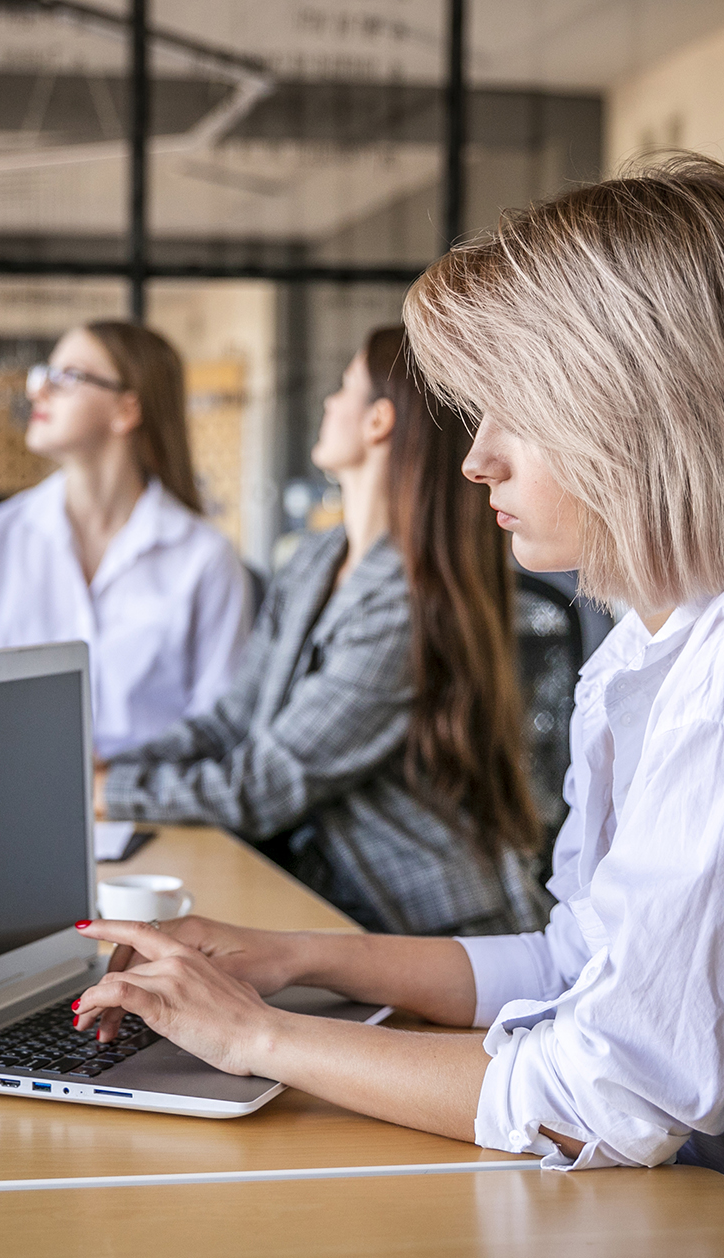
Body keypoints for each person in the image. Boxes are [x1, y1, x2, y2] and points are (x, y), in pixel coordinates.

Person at [67, 155, 724, 1255]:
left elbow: (603, 1095)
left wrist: (256, 1040)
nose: (476, 460)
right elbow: (578, 968)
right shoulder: (671, 633)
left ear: (635, 406)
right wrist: (293, 957)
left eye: (517, 409)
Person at [101, 327, 544, 938]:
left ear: (378, 422)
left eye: (344, 388)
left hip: (425, 922)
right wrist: (110, 767)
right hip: (327, 897)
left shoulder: (407, 602)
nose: (329, 403)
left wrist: (112, 790)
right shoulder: (316, 560)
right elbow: (231, 720)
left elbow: (265, 786)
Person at [0, 322, 249, 761]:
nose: (38, 391)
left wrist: (111, 777)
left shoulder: (205, 558)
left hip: (154, 810)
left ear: (126, 410)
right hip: (11, 802)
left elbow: (221, 728)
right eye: (43, 375)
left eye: (67, 377)